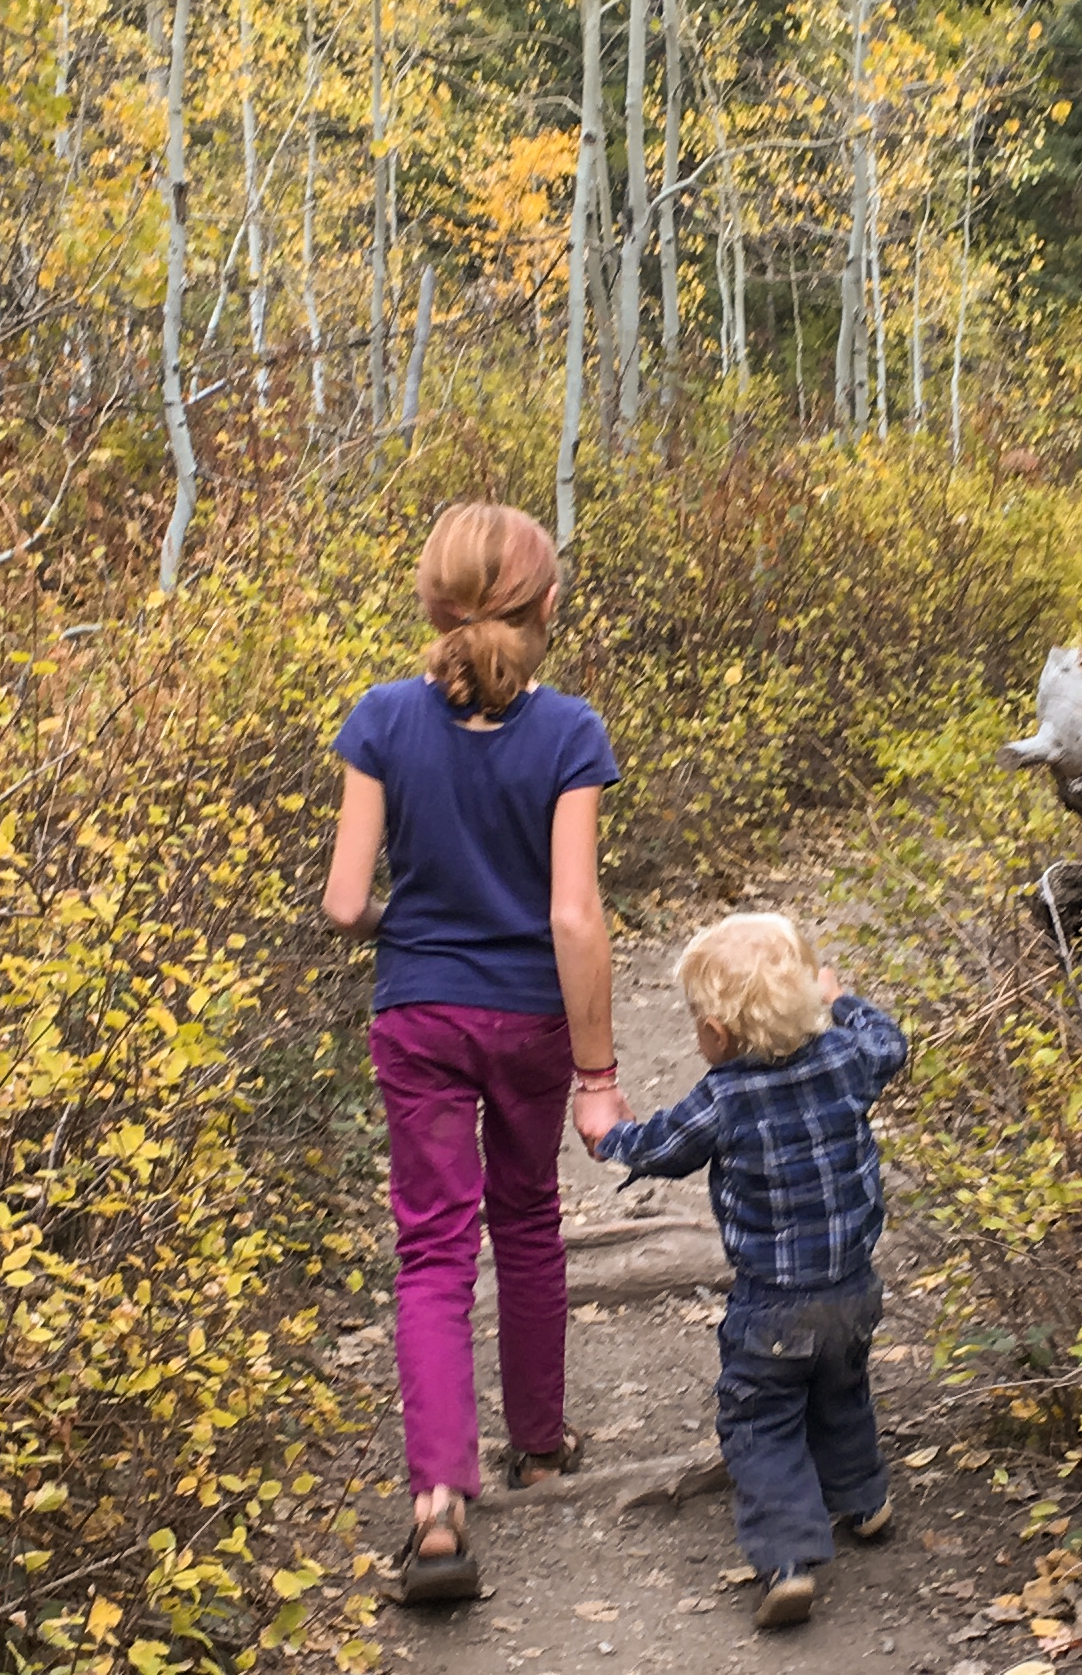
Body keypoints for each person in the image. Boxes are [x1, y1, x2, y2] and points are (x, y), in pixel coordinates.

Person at [322, 502, 630, 1606]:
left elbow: (347, 900)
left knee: (434, 1254)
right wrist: (599, 1077)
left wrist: (407, 917)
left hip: (421, 1016)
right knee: (529, 1219)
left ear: (431, 602)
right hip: (531, 1023)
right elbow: (576, 919)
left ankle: (439, 1507)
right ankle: (540, 1442)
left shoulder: (381, 720)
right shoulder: (571, 735)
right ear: (549, 609)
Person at [596, 912, 909, 1631]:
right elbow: (891, 1043)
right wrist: (843, 1002)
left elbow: (663, 1146)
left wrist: (609, 1137)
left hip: (770, 1307)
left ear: (715, 1035)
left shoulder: (725, 1096)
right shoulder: (846, 1058)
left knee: (760, 1420)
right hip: (855, 1291)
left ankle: (787, 1559)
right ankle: (865, 1502)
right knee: (842, 1391)